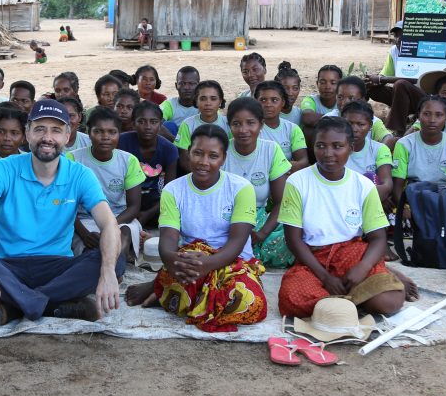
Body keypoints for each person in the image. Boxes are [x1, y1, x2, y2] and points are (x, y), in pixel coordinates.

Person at [0, 99, 124, 324]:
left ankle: (18, 305)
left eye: (56, 130)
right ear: (27, 133)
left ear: (67, 135)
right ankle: (51, 304)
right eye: (40, 129)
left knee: (115, 258)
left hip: (56, 266)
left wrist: (109, 272)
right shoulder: (3, 169)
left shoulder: (80, 174)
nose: (47, 138)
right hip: (6, 265)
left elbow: (109, 224)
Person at [125, 124, 267, 331]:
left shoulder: (241, 188)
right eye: (198, 153)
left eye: (213, 156)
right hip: (190, 261)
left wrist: (208, 264)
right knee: (188, 266)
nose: (203, 162)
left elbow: (237, 243)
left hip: (232, 261)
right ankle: (172, 285)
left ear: (224, 159)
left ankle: (163, 288)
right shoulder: (173, 190)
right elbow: (168, 242)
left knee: (249, 302)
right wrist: (173, 262)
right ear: (188, 153)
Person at [277, 116, 410, 318]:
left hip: (351, 253)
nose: (328, 153)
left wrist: (363, 268)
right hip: (312, 259)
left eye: (337, 146)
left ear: (352, 147)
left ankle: (339, 304)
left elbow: (378, 238)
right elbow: (293, 239)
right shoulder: (297, 182)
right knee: (293, 299)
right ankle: (352, 300)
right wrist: (324, 277)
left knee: (389, 302)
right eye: (321, 146)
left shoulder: (363, 185)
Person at [223, 98, 294, 268]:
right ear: (229, 125)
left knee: (292, 239)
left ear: (261, 125)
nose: (243, 130)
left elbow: (281, 202)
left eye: (250, 123)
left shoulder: (271, 150)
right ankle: (242, 255)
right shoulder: (221, 150)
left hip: (259, 219)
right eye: (236, 124)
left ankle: (239, 256)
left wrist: (262, 233)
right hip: (226, 218)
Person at [69, 108, 145, 261]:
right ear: (88, 133)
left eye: (112, 132)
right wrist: (84, 234)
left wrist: (109, 227)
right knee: (89, 250)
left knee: (122, 236)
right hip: (83, 220)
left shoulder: (128, 161)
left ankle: (118, 266)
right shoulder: (72, 159)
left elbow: (134, 207)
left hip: (119, 218)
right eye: (98, 131)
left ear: (119, 134)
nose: (105, 137)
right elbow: (66, 205)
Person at [391, 95, 446, 206]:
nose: (432, 120)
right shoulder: (405, 144)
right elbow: (397, 185)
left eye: (439, 115)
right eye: (426, 114)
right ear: (419, 115)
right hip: (414, 198)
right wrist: (403, 209)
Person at [118, 101, 178, 228]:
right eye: (141, 121)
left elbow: (169, 191)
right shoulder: (121, 142)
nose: (148, 126)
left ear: (161, 124)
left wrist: (148, 214)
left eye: (154, 122)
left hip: (153, 203)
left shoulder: (169, 149)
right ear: (133, 123)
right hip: (123, 198)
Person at [341, 101, 394, 207]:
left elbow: (387, 185)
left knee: (370, 177)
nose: (354, 129)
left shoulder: (380, 149)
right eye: (349, 123)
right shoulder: (334, 149)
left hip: (367, 204)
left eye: (361, 124)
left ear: (370, 126)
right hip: (342, 201)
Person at [325, 76, 395, 148]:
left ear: (363, 99)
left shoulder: (372, 121)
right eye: (340, 97)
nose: (344, 102)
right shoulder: (329, 119)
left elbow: (388, 138)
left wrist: (378, 153)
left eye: (351, 98)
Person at [174, 80, 228, 172]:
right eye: (203, 98)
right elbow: (184, 159)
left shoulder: (228, 123)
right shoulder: (187, 124)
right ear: (196, 101)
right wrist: (201, 176)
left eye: (213, 98)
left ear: (220, 101)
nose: (208, 103)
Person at [254, 81, 308, 169]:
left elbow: (303, 161)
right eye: (263, 100)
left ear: (283, 102)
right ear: (256, 102)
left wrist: (278, 168)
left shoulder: (292, 129)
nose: (268, 104)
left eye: (274, 100)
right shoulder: (250, 129)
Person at [299, 64, 342, 133]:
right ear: (317, 83)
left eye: (333, 83)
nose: (327, 87)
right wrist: (340, 119)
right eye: (323, 82)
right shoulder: (311, 100)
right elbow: (308, 118)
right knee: (308, 130)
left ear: (340, 85)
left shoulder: (344, 101)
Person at [159, 66, 200, 134]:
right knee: (168, 126)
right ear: (176, 86)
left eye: (191, 83)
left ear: (199, 85)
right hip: (173, 142)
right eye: (182, 83)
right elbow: (155, 121)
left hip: (198, 141)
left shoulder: (205, 105)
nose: (186, 87)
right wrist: (177, 142)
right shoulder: (170, 104)